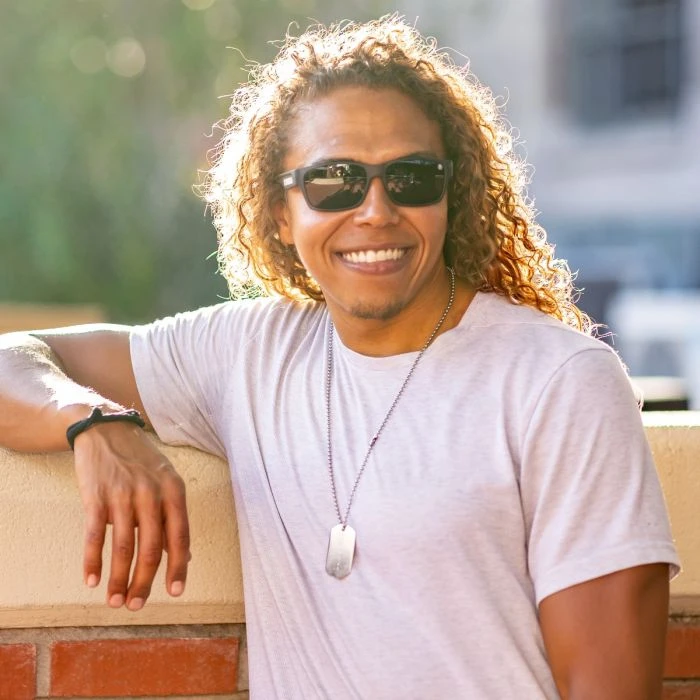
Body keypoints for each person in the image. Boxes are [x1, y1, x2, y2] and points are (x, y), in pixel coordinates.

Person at [0, 15, 680, 699]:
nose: (377, 210)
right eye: (334, 181)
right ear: (280, 212)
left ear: (452, 194)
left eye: (411, 177)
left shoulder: (560, 382)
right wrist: (92, 421)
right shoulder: (246, 355)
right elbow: (15, 358)